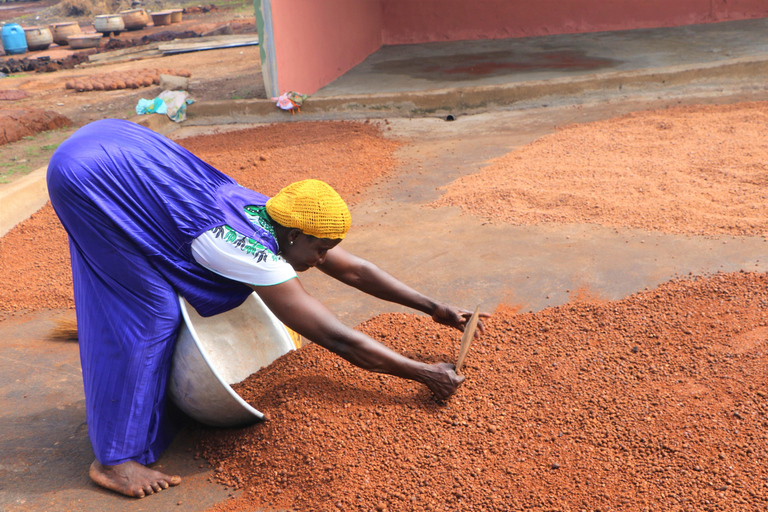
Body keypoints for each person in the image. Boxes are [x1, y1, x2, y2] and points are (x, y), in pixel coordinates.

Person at [47, 119, 487, 499]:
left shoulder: (278, 214)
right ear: (294, 234)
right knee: (151, 311)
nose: (321, 260)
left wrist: (435, 308)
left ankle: (148, 398)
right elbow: (336, 337)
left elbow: (354, 270)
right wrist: (421, 372)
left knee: (161, 292)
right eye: (318, 250)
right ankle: (115, 459)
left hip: (124, 147)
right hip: (88, 175)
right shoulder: (244, 251)